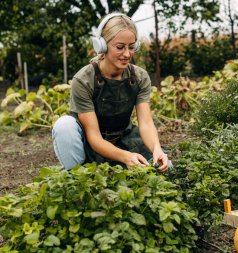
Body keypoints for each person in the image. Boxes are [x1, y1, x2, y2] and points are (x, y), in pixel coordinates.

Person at [52, 12, 169, 172]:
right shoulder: (84, 79)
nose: (127, 54)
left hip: (124, 139)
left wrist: (156, 148)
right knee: (63, 126)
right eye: (120, 47)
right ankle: (77, 175)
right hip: (91, 144)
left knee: (167, 168)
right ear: (102, 45)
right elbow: (93, 137)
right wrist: (125, 157)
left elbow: (146, 124)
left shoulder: (139, 77)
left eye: (132, 47)